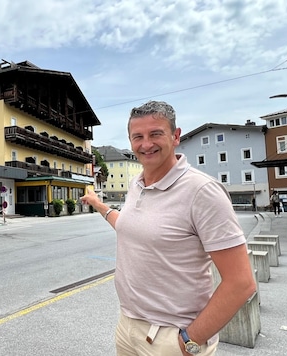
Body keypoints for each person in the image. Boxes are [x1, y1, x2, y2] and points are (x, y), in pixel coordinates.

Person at [81, 101, 256, 355]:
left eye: (155, 134)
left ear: (175, 136)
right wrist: (100, 206)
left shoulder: (202, 191)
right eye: (137, 137)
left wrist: (189, 342)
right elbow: (131, 227)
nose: (146, 144)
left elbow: (241, 282)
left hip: (173, 337)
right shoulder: (136, 184)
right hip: (128, 326)